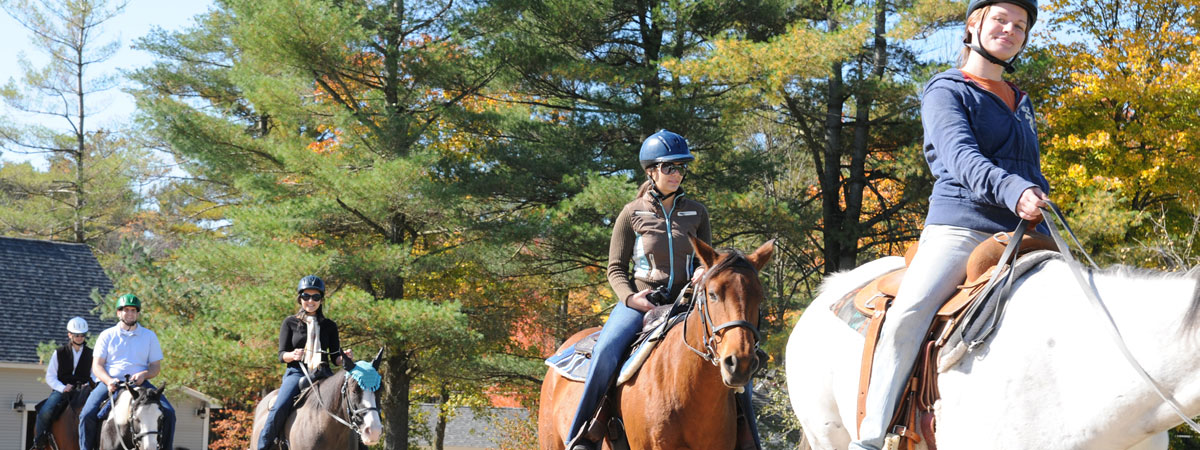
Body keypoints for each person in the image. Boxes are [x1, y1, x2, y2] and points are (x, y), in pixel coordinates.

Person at [850, 0, 1049, 449]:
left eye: (1020, 26)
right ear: (974, 25)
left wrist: (1041, 197)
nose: (1011, 30)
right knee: (910, 311)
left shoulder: (1020, 100)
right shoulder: (945, 89)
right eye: (1001, 19)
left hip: (1025, 230)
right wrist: (1014, 191)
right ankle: (870, 435)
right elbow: (961, 159)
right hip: (963, 224)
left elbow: (1028, 167)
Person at [565, 130, 761, 450]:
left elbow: (709, 260)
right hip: (642, 303)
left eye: (681, 168)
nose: (676, 174)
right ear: (651, 171)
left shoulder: (697, 212)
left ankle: (747, 436)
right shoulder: (632, 213)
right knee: (605, 351)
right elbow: (615, 268)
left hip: (687, 303)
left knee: (740, 356)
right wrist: (630, 298)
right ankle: (586, 433)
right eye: (669, 167)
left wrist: (703, 271)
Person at [257, 275, 353, 450]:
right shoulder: (290, 322)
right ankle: (263, 446)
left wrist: (344, 357)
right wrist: (292, 355)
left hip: (324, 374)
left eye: (315, 297)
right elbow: (281, 355)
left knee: (351, 404)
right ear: (300, 298)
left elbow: (335, 359)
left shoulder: (330, 326)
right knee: (280, 406)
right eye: (306, 296)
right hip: (297, 373)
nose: (311, 301)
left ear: (321, 300)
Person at [78, 294, 176, 450]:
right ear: (118, 313)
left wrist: (144, 374)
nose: (130, 313)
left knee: (169, 413)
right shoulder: (107, 335)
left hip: (140, 383)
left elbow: (155, 367)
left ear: (138, 314)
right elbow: (97, 366)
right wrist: (109, 380)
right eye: (126, 310)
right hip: (112, 383)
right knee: (86, 415)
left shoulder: (149, 336)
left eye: (133, 310)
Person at [32, 317, 94, 449]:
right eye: (76, 335)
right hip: (62, 390)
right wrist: (62, 387)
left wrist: (87, 385)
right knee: (45, 411)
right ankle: (40, 442)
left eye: (82, 335)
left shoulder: (91, 354)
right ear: (69, 334)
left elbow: (94, 374)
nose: (80, 338)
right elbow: (50, 376)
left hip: (83, 391)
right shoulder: (59, 353)